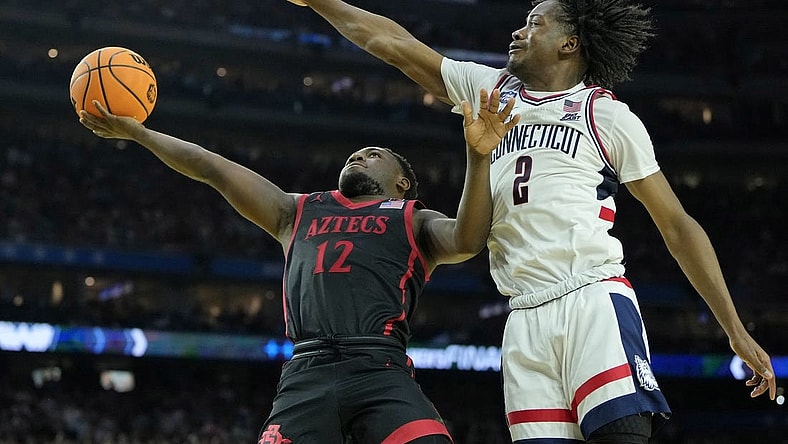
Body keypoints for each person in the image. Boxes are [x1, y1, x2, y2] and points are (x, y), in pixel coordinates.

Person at [287, 0, 778, 442]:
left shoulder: (605, 115)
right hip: (522, 316)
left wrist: (733, 327)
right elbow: (393, 45)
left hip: (591, 296)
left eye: (534, 23)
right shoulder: (489, 91)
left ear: (570, 43)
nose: (518, 32)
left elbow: (676, 224)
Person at [78, 89, 519, 444]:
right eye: (356, 153)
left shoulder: (413, 218)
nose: (358, 156)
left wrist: (478, 156)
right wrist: (141, 135)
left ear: (402, 184)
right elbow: (212, 168)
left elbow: (467, 239)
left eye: (374, 154)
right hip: (306, 373)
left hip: (378, 370)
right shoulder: (296, 211)